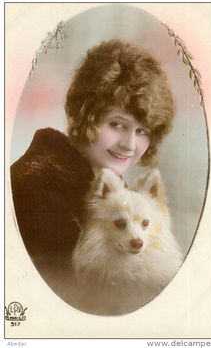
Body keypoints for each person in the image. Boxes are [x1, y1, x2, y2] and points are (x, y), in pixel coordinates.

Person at [11, 39, 174, 274]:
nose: (129, 144)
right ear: (86, 115)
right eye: (117, 124)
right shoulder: (37, 187)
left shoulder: (113, 191)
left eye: (142, 131)